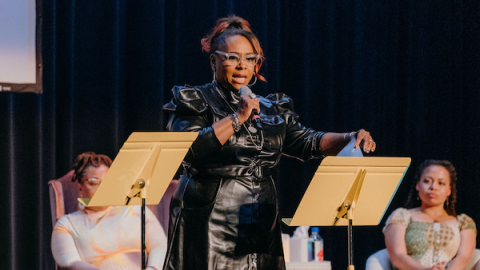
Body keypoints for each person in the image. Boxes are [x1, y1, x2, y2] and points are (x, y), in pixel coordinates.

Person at [162, 15, 376, 270]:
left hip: (260, 214)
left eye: (249, 59)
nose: (242, 65)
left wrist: (348, 138)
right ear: (214, 60)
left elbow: (306, 142)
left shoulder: (271, 107)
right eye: (232, 57)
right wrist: (238, 117)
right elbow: (188, 149)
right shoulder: (196, 99)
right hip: (210, 216)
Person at [51, 152, 167, 270]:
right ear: (80, 187)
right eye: (94, 182)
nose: (102, 189)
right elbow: (69, 261)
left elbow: (160, 245)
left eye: (107, 183)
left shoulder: (136, 210)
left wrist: (152, 268)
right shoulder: (67, 224)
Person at [383, 160, 477, 270]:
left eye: (441, 183)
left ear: (449, 190)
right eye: (427, 181)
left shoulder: (463, 222)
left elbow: (463, 258)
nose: (433, 187)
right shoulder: (401, 216)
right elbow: (398, 257)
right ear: (418, 185)